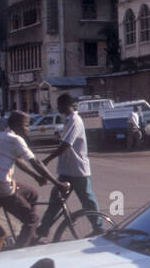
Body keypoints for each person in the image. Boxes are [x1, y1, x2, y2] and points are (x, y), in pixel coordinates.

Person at [0, 110, 68, 249]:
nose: (27, 129)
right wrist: (57, 183)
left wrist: (36, 177)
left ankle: (32, 236)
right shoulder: (16, 139)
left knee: (32, 193)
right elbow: (35, 162)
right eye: (26, 125)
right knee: (32, 219)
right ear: (17, 125)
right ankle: (20, 251)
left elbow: (18, 160)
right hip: (1, 188)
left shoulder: (2, 135)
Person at [37, 92, 102, 239]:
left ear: (65, 105)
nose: (58, 108)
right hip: (67, 170)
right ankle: (43, 228)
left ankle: (99, 227)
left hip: (78, 170)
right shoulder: (68, 120)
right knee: (56, 200)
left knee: (87, 199)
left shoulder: (75, 120)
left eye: (59, 105)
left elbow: (66, 144)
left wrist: (48, 159)